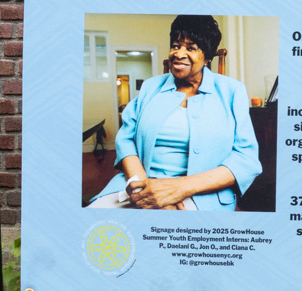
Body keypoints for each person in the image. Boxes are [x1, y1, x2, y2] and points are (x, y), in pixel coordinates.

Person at [89, 14, 263, 211]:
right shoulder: (150, 87)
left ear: (206, 56)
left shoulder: (232, 91)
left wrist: (178, 189)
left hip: (200, 194)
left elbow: (246, 159)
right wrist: (144, 191)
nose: (179, 54)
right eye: (175, 45)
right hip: (137, 184)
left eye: (191, 48)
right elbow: (125, 139)